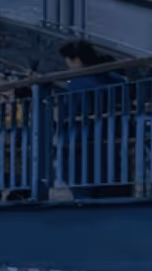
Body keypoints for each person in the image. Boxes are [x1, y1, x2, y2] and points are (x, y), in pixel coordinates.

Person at [56, 41, 130, 199]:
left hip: (82, 144)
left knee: (85, 189)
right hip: (114, 142)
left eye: (68, 61)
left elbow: (71, 114)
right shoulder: (115, 79)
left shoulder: (78, 84)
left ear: (76, 59)